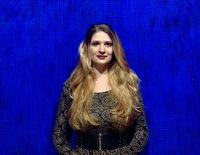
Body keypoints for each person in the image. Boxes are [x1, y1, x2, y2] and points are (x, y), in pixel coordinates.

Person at [53, 24, 148, 154]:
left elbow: (141, 131)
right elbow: (59, 137)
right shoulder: (73, 86)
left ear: (114, 48)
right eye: (96, 44)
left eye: (108, 44)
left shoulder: (129, 83)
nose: (102, 50)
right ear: (87, 48)